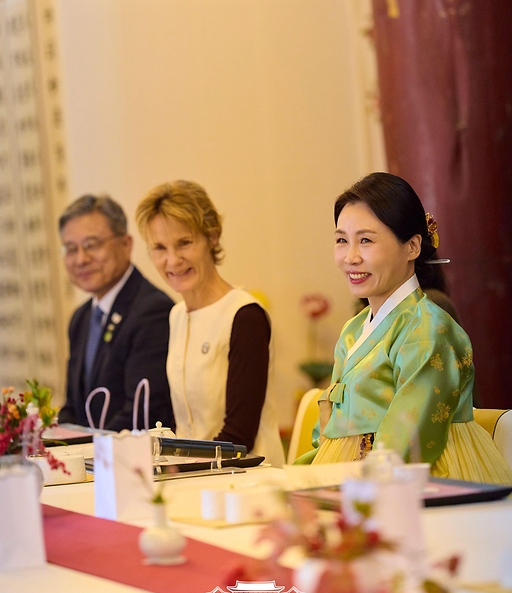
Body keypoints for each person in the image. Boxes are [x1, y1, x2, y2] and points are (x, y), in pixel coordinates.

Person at [300, 172, 512, 485]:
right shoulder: (353, 329)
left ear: (412, 246)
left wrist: (353, 490)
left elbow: (407, 439)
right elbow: (329, 432)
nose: (350, 257)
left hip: (410, 478)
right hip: (352, 474)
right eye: (342, 240)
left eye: (366, 240)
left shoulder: (428, 329)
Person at [135, 180, 285, 467]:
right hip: (194, 475)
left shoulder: (245, 316)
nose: (172, 260)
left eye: (184, 243)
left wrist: (176, 468)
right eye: (159, 247)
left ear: (212, 237)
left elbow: (239, 439)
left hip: (246, 478)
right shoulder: (177, 315)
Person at [58, 194, 174, 431]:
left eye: (91, 245)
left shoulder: (153, 311)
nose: (81, 259)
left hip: (131, 452)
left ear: (126, 244)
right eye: (70, 249)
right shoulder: (81, 318)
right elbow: (73, 407)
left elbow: (143, 413)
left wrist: (88, 447)